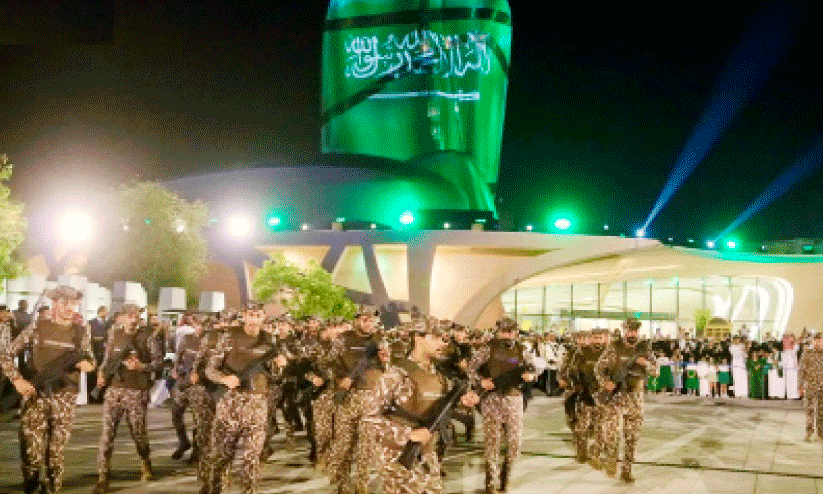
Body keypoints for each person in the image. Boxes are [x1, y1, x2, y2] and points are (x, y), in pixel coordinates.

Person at [364, 319, 479, 494]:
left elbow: (443, 410)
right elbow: (368, 419)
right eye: (436, 337)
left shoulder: (439, 377)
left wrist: (464, 404)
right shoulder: (397, 374)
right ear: (418, 338)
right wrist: (408, 434)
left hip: (427, 454)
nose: (442, 343)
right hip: (398, 456)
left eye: (445, 339)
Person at [0, 286, 96, 494]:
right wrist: (17, 380)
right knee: (31, 454)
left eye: (73, 303)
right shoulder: (38, 327)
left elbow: (91, 361)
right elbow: (6, 354)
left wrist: (86, 365)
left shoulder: (81, 331)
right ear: (55, 303)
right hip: (37, 395)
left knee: (55, 455)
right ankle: (32, 488)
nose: (69, 307)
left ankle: (52, 491)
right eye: (65, 303)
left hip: (65, 399)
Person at [200, 302, 286, 494]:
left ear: (263, 317)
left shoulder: (271, 341)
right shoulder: (229, 337)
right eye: (250, 314)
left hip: (257, 404)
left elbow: (275, 377)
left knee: (252, 459)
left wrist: (280, 365)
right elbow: (209, 369)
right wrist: (224, 378)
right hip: (231, 402)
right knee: (221, 457)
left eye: (257, 315)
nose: (254, 319)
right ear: (244, 317)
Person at [93, 304, 163, 494]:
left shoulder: (148, 336)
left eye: (137, 315)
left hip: (137, 391)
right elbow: (107, 360)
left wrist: (141, 367)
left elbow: (158, 363)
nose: (134, 319)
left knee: (138, 433)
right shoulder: (113, 333)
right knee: (107, 435)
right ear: (121, 318)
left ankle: (145, 462)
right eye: (130, 315)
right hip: (114, 390)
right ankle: (103, 476)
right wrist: (101, 374)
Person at [467, 318, 536, 494]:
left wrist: (531, 376)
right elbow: (470, 369)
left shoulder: (522, 350)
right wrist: (481, 382)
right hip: (492, 400)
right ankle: (491, 482)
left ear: (516, 332)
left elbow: (533, 369)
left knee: (515, 443)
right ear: (498, 331)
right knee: (492, 443)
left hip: (514, 399)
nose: (507, 334)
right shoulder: (487, 349)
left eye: (510, 331)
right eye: (503, 331)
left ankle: (507, 476)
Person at [326, 308, 384, 494]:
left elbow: (390, 368)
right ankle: (342, 484)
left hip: (371, 398)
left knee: (366, 447)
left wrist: (385, 361)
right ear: (357, 320)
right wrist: (339, 380)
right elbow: (327, 365)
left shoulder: (380, 340)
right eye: (365, 320)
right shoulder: (342, 339)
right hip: (348, 397)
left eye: (372, 321)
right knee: (343, 445)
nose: (369, 324)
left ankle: (362, 485)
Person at [595, 318, 654, 483]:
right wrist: (604, 382)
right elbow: (599, 368)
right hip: (616, 398)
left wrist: (646, 364)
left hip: (636, 398)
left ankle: (627, 471)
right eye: (628, 331)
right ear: (624, 331)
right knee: (612, 434)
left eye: (634, 331)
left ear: (638, 332)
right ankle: (611, 459)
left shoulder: (644, 350)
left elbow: (656, 371)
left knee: (632, 437)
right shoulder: (614, 348)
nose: (631, 334)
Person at [799, 333, 823, 441]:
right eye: (816, 341)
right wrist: (800, 386)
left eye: (820, 341)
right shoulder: (807, 353)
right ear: (813, 341)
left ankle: (820, 434)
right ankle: (809, 433)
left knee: (821, 411)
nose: (818, 343)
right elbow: (801, 370)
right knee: (810, 410)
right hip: (810, 386)